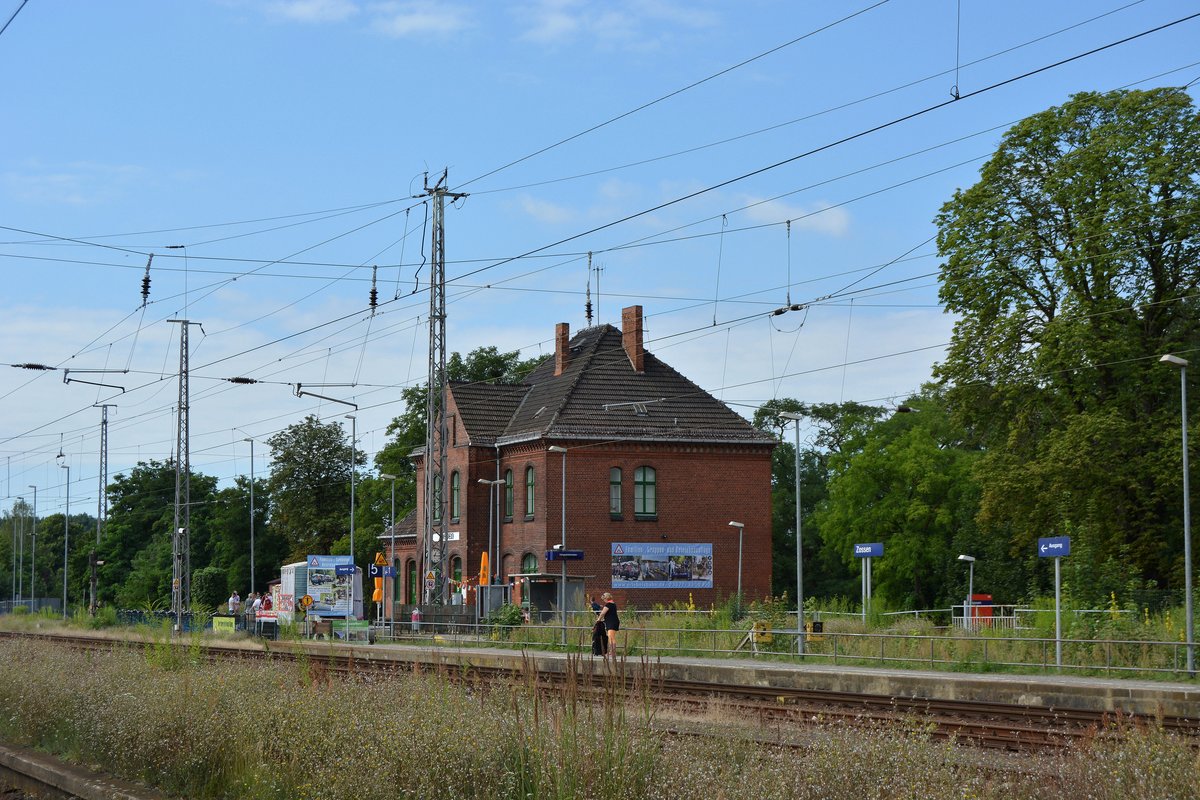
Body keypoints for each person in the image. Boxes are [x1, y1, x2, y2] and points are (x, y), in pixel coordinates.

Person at [596, 592, 619, 657]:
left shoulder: (608, 605)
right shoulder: (613, 604)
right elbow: (610, 614)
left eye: (604, 599)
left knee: (611, 637)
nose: (604, 601)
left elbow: (603, 613)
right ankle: (611, 652)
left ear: (606, 598)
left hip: (612, 622)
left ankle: (613, 653)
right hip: (612, 622)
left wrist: (598, 620)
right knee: (610, 637)